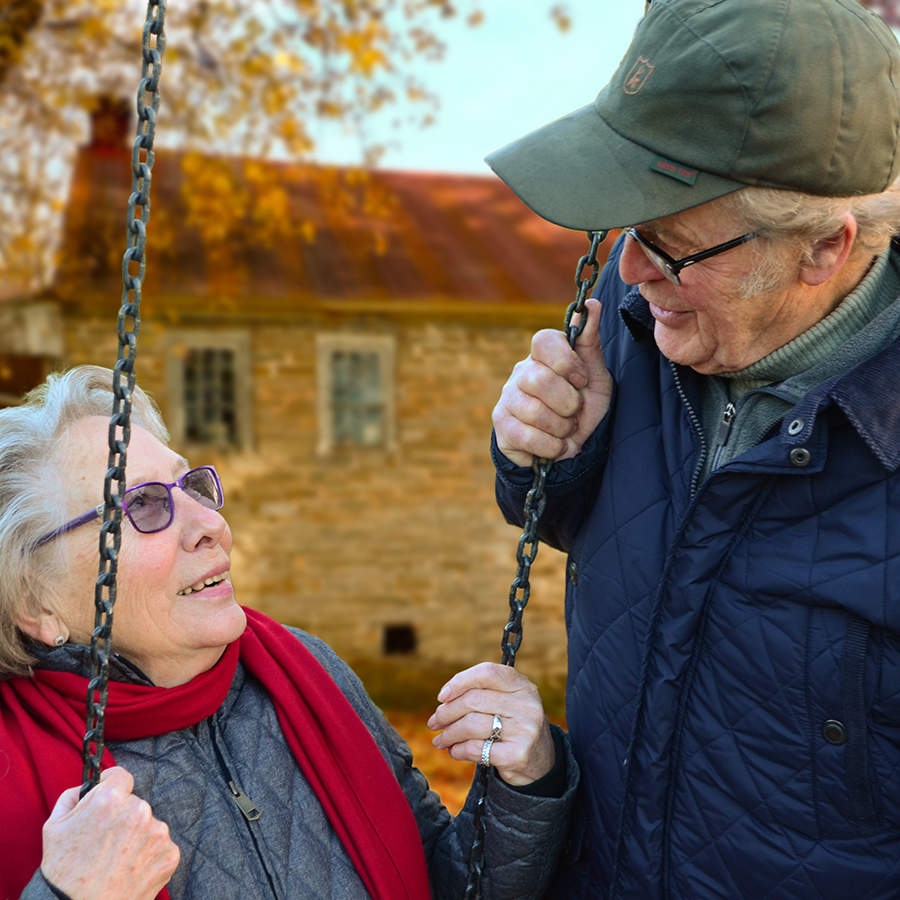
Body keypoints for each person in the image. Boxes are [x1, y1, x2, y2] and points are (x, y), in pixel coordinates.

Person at [487, 0, 900, 898]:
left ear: (824, 248)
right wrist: (545, 451)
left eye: (671, 246)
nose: (632, 270)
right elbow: (574, 520)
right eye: (627, 231)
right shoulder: (643, 309)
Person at [0, 366, 577, 900]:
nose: (210, 526)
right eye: (143, 506)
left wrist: (523, 785)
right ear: (36, 602)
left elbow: (445, 882)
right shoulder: (12, 767)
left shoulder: (306, 670)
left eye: (192, 488)